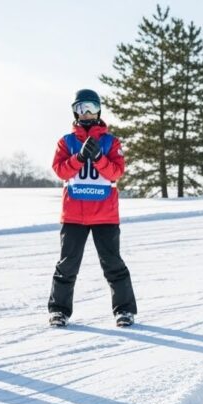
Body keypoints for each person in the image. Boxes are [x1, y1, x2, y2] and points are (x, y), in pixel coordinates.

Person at [48, 89, 136, 328]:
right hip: (74, 214)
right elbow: (60, 171)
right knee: (67, 264)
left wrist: (98, 157)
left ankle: (125, 310)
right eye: (80, 108)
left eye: (89, 108)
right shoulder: (66, 141)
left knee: (112, 263)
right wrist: (78, 158)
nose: (85, 114)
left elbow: (116, 172)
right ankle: (59, 310)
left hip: (104, 214)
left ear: (98, 110)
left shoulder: (110, 141)